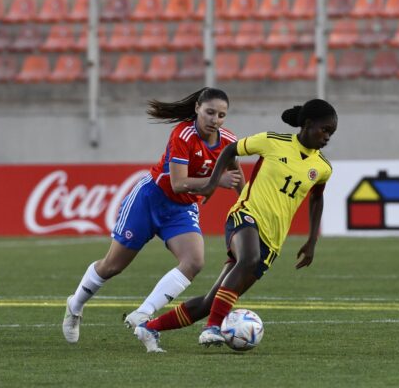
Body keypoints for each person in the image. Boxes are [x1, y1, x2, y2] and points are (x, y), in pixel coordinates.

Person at [131, 98, 337, 352]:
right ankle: (212, 327)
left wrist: (312, 241)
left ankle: (149, 328)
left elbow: (317, 198)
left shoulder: (323, 167)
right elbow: (230, 150)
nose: (327, 137)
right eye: (324, 129)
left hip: (272, 241)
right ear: (307, 124)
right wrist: (211, 183)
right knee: (247, 259)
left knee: (211, 300)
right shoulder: (272, 141)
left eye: (331, 133)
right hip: (246, 215)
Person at [62, 88, 243, 347]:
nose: (215, 119)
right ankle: (75, 305)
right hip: (149, 200)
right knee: (113, 266)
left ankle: (143, 314)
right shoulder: (183, 134)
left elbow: (236, 176)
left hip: (181, 209)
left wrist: (245, 203)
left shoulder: (227, 141)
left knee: (194, 261)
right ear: (197, 109)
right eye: (210, 112)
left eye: (221, 115)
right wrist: (216, 181)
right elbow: (179, 183)